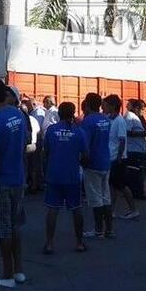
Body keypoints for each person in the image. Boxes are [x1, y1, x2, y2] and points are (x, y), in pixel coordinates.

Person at [0, 79, 27, 289]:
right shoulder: (18, 115)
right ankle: (18, 270)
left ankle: (7, 275)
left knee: (3, 229)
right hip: (18, 177)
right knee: (15, 225)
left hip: (2, 180)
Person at [43, 102, 88, 253]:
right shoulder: (79, 132)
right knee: (76, 209)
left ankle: (49, 244)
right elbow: (85, 154)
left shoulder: (51, 130)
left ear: (59, 113)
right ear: (73, 113)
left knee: (52, 209)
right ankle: (79, 243)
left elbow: (46, 151)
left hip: (54, 174)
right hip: (72, 175)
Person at [79, 93, 113, 239]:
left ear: (87, 104)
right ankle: (109, 230)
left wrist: (82, 161)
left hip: (93, 163)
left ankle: (98, 230)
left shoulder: (88, 121)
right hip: (105, 160)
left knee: (95, 198)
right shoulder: (105, 119)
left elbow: (85, 144)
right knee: (106, 197)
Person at [104, 95, 139, 221]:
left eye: (106, 105)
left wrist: (119, 157)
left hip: (118, 158)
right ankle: (112, 210)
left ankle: (134, 210)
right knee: (113, 185)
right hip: (111, 157)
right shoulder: (109, 119)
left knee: (121, 185)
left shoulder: (120, 121)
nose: (104, 107)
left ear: (113, 106)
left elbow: (122, 140)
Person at [124, 99, 146, 200]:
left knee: (139, 171)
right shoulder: (130, 116)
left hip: (139, 148)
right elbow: (127, 132)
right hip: (133, 149)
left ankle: (139, 192)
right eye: (142, 109)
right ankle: (136, 193)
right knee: (134, 172)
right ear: (136, 108)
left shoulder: (138, 117)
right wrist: (142, 133)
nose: (143, 112)